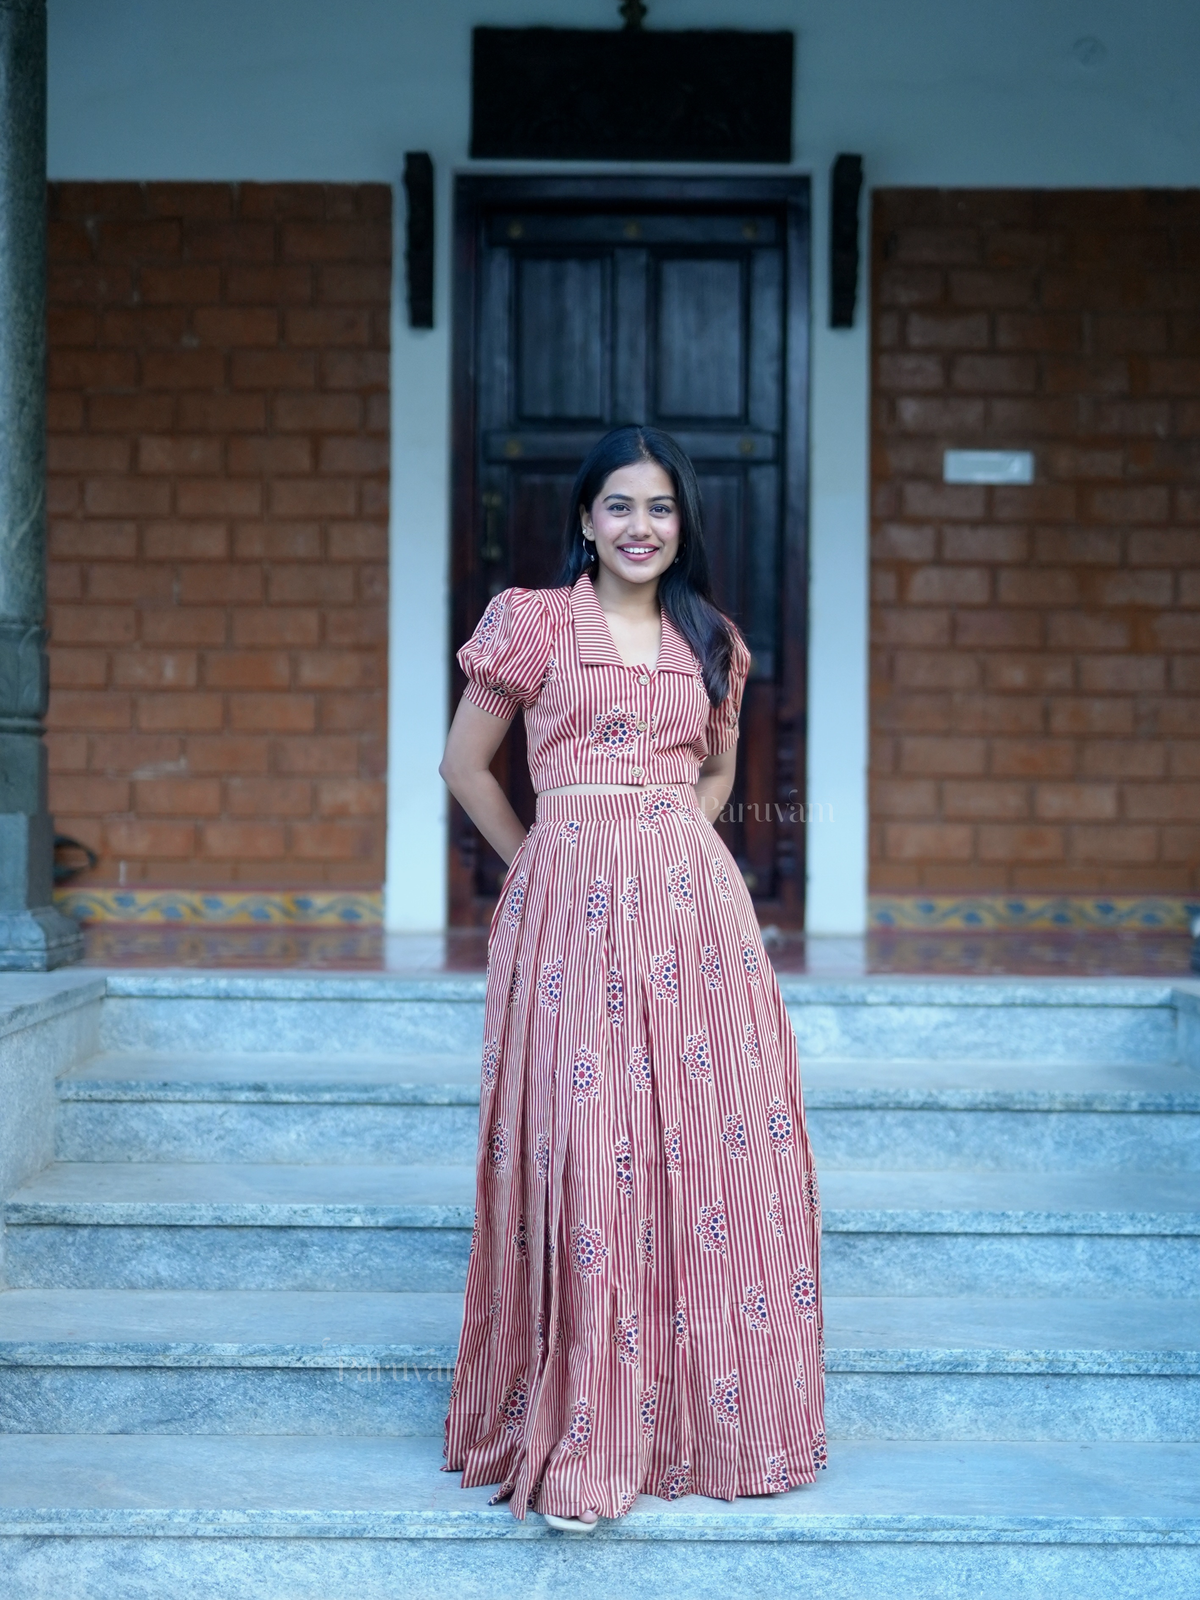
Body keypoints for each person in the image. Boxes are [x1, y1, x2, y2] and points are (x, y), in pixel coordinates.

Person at [439, 425, 825, 1530]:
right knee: (592, 1148)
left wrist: (662, 847)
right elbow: (464, 766)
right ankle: (586, 1430)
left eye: (660, 507)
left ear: (682, 523)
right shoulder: (532, 623)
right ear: (585, 519)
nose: (640, 526)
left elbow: (715, 779)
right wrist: (546, 861)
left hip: (694, 919)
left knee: (710, 1153)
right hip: (569, 915)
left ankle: (708, 1423)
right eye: (619, 505)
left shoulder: (713, 639)